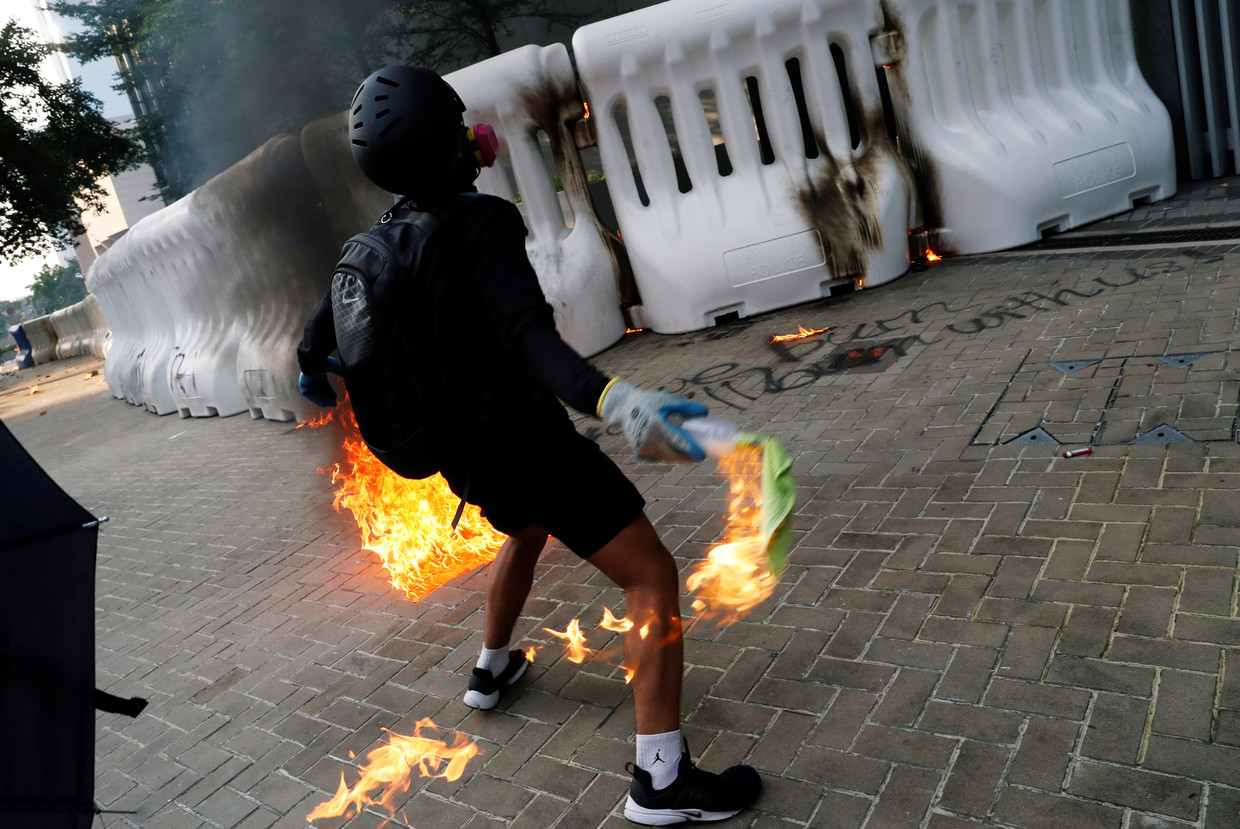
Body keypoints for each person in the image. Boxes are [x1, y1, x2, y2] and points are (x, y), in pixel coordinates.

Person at [296, 65, 761, 825]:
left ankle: (490, 670)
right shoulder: (483, 221)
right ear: (450, 142)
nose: (473, 136)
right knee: (650, 574)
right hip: (530, 445)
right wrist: (614, 398)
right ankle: (661, 780)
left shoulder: (386, 234)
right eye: (460, 126)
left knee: (525, 527)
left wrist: (309, 368)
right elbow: (527, 336)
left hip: (466, 458)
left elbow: (322, 323)